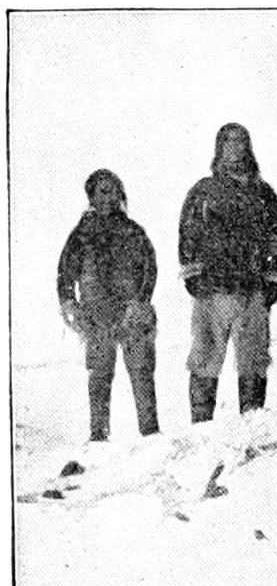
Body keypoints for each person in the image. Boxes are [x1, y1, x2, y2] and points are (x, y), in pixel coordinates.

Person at [179, 123, 277, 423]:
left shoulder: (263, 193)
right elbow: (189, 232)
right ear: (219, 148)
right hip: (212, 289)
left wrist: (274, 276)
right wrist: (192, 274)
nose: (235, 147)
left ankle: (251, 424)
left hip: (252, 288)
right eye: (228, 141)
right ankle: (201, 427)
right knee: (205, 357)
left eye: (241, 141)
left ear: (248, 147)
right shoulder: (204, 191)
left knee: (253, 358)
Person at [57, 169, 159, 442]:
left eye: (114, 190)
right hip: (96, 314)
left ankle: (150, 434)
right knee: (100, 374)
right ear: (91, 196)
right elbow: (66, 272)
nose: (109, 196)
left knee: (141, 370)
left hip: (132, 313)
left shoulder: (133, 231)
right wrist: (69, 303)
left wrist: (141, 301)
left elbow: (150, 267)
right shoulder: (81, 234)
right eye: (102, 191)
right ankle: (98, 437)